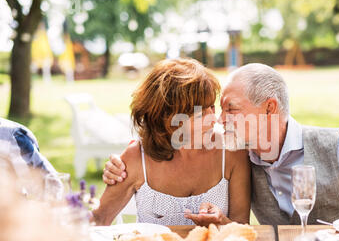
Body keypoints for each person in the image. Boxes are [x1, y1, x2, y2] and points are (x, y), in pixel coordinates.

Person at [103, 62, 339, 225]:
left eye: (229, 108)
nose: (219, 119)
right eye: (212, 109)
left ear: (270, 108)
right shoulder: (242, 153)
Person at [92, 58, 251, 226]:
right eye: (200, 114)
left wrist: (222, 223)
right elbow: (98, 219)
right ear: (168, 118)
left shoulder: (233, 152)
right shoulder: (136, 157)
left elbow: (242, 228)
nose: (215, 119)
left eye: (212, 107)